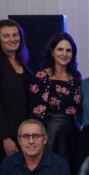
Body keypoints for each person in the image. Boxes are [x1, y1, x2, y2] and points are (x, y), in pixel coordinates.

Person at [28, 32, 82, 166]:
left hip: (72, 131)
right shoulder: (42, 76)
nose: (64, 54)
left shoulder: (76, 77)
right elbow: (36, 113)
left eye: (68, 50)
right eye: (60, 49)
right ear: (52, 51)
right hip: (51, 133)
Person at [0, 18, 31, 159]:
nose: (12, 39)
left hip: (22, 132)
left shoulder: (22, 61)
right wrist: (5, 138)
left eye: (15, 35)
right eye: (6, 36)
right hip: (3, 136)